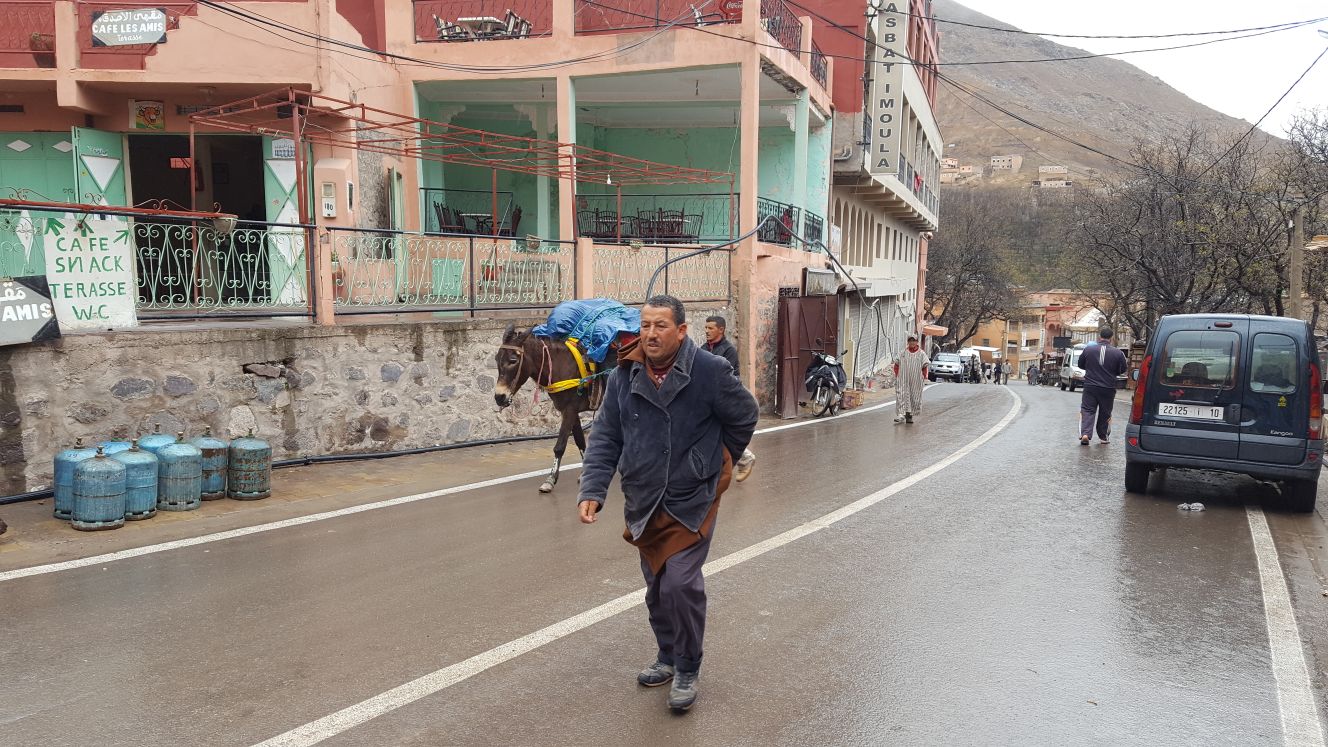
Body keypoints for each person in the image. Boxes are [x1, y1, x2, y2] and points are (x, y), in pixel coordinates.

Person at [577, 295, 759, 713]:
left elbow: (745, 415)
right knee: (658, 587)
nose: (651, 334)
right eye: (645, 325)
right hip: (644, 497)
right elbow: (606, 436)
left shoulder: (710, 370)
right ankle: (667, 655)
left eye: (660, 326)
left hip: (691, 496)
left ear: (680, 331)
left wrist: (715, 460)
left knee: (680, 583)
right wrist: (593, 489)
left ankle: (688, 667)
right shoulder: (624, 375)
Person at [703, 316, 757, 482]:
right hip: (707, 396)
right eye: (706, 328)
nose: (707, 331)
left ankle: (744, 458)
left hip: (725, 397)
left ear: (721, 330)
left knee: (716, 431)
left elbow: (725, 377)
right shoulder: (703, 348)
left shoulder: (728, 351)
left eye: (710, 328)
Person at [1078, 326, 1129, 445]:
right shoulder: (1118, 353)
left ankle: (1085, 434)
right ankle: (1103, 437)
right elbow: (1123, 369)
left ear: (1099, 337)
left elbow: (1080, 364)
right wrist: (1113, 372)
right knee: (1105, 412)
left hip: (1090, 385)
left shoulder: (1088, 350)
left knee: (1088, 410)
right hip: (1108, 387)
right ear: (1111, 338)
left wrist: (1091, 369)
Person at [893, 335, 929, 423]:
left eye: (914, 341)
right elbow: (896, 365)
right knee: (901, 395)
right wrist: (897, 375)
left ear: (917, 342)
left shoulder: (921, 354)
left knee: (914, 396)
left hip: (916, 378)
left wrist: (924, 377)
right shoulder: (903, 353)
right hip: (903, 378)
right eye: (910, 341)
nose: (912, 342)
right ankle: (901, 415)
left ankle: (909, 415)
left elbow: (925, 367)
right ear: (908, 342)